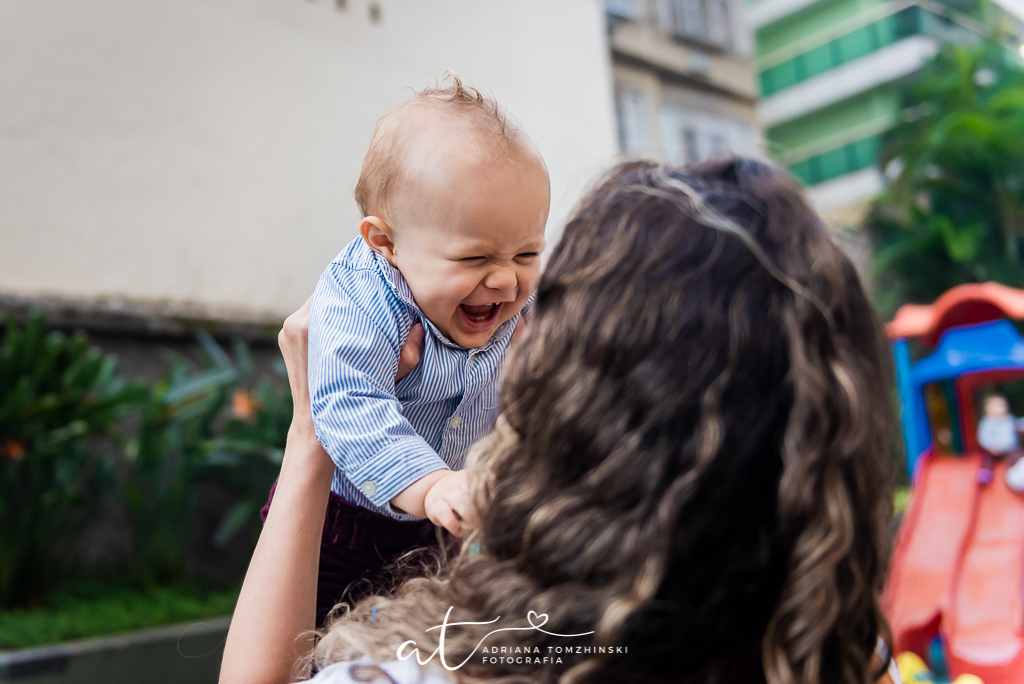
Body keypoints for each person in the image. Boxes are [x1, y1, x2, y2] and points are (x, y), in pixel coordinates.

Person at [223, 158, 901, 684]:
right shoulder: (835, 656)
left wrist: (314, 432)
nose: (510, 300)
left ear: (575, 402)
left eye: (531, 271)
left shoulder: (435, 667)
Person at [262, 73, 550, 622]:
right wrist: (432, 483)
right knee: (318, 649)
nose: (506, 282)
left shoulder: (520, 306)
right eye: (475, 259)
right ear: (386, 242)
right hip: (339, 526)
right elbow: (349, 405)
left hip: (442, 522)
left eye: (526, 254)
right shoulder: (359, 299)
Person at [976, 393, 1023, 485]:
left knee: (1016, 455)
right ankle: (985, 474)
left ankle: (1016, 473)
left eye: (1003, 405)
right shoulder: (987, 422)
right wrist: (990, 446)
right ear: (988, 409)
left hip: (1008, 448)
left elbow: (1018, 425)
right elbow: (983, 437)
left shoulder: (1009, 419)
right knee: (986, 458)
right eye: (997, 406)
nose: (1002, 408)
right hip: (992, 449)